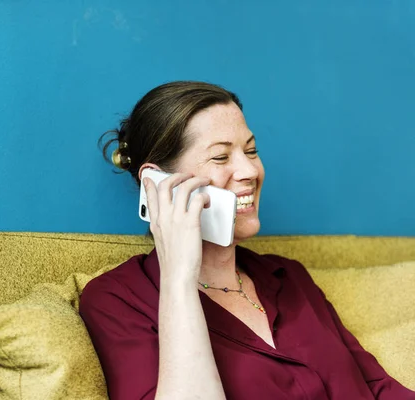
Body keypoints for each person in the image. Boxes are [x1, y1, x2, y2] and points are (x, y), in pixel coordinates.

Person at [78, 81, 415, 400]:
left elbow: (377, 387)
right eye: (221, 157)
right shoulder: (116, 301)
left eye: (251, 151)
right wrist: (179, 277)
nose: (250, 171)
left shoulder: (289, 277)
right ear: (156, 184)